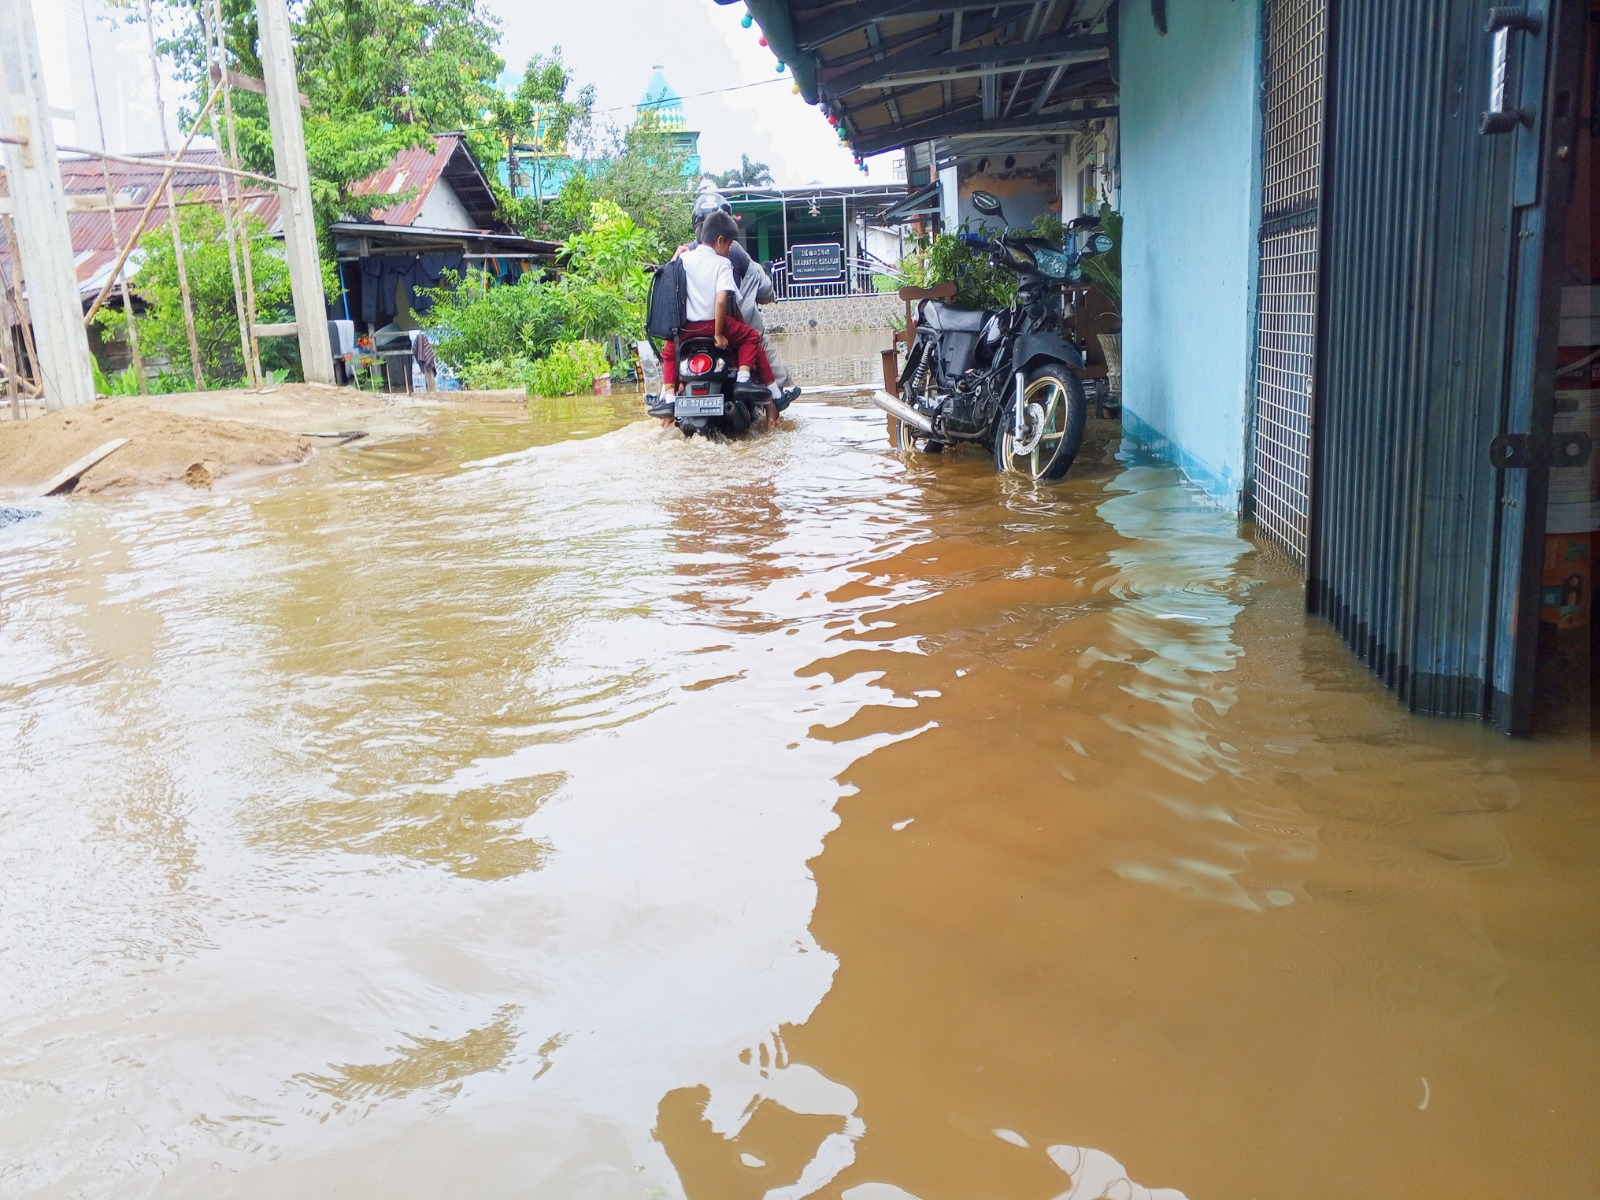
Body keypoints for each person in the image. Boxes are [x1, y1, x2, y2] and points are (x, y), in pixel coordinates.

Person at [662, 211, 790, 426]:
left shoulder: (683, 259)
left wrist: (674, 258)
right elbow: (723, 301)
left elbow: (667, 282)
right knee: (752, 337)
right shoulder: (723, 263)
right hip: (712, 325)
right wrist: (718, 334)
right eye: (729, 244)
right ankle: (745, 381)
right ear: (720, 240)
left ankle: (668, 399)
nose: (730, 249)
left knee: (668, 353)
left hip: (684, 330)